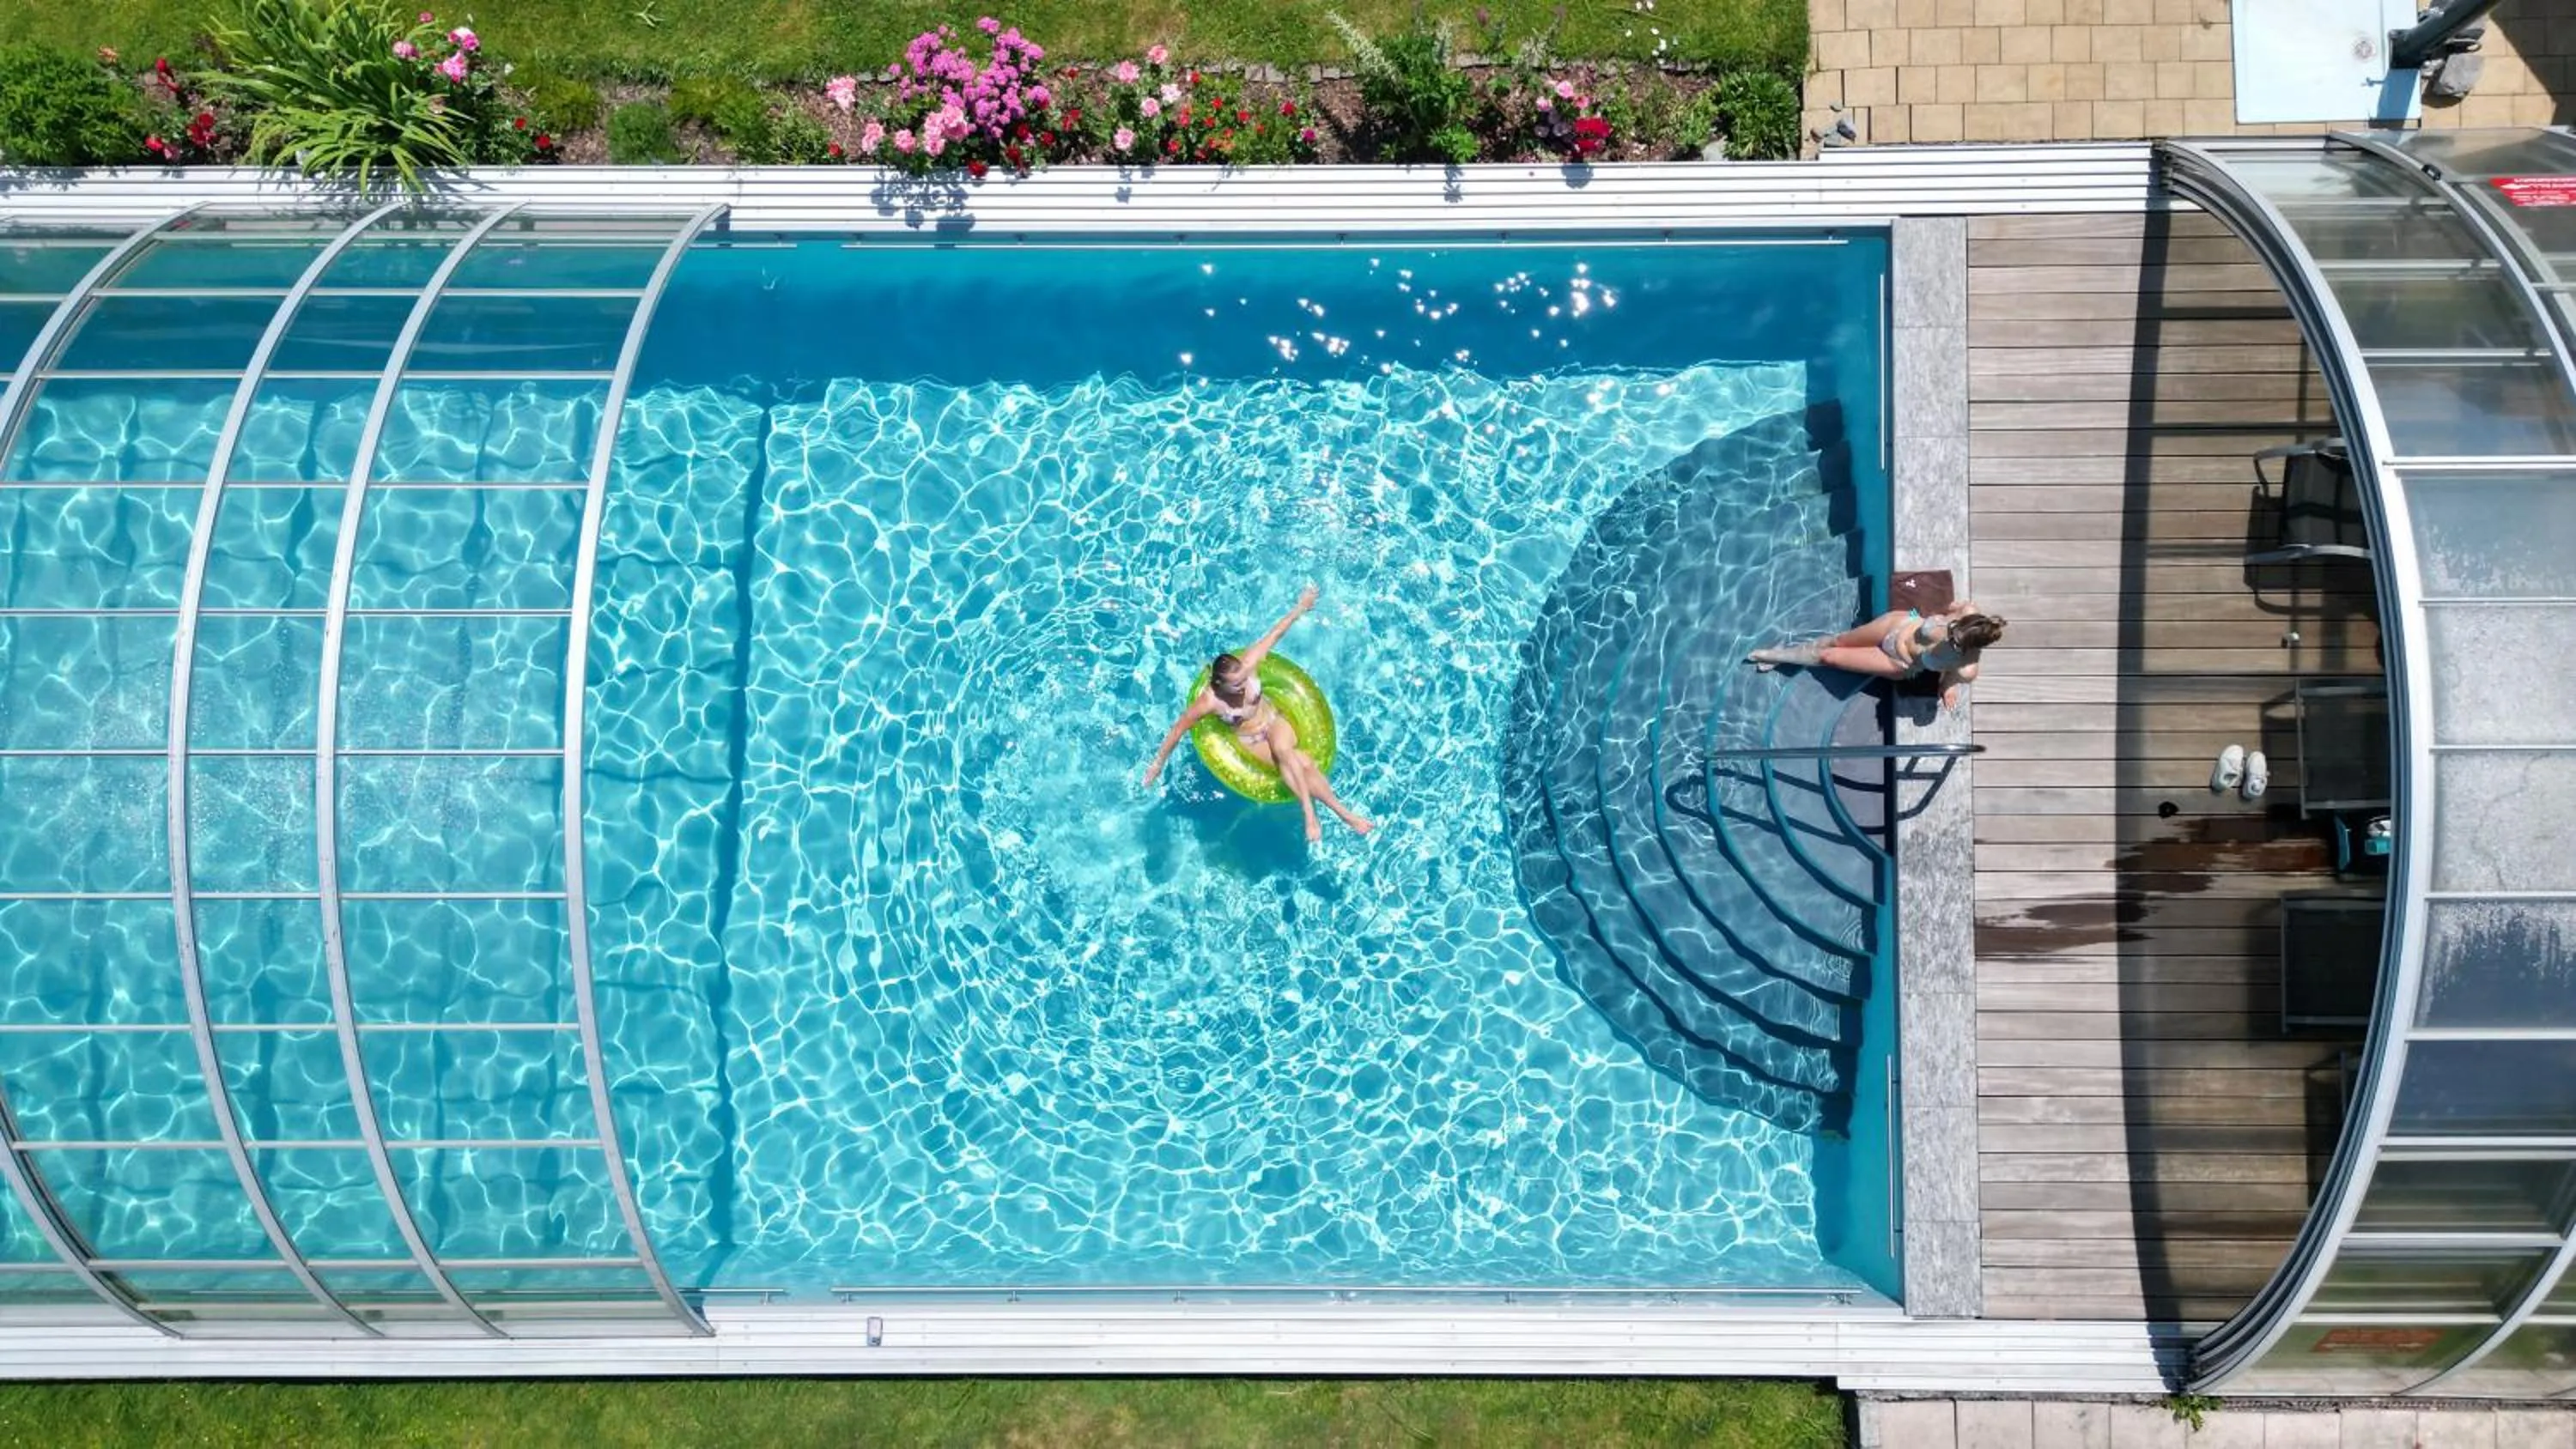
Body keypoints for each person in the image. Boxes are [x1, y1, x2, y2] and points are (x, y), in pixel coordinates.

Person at [1144, 585, 1375, 844]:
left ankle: (1310, 814)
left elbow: (1276, 632)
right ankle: (1344, 815)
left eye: (1244, 680)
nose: (1243, 687)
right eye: (1236, 685)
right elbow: (1177, 730)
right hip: (1251, 740)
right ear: (1219, 685)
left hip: (1275, 721)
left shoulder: (1249, 663)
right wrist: (1157, 764)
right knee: (1304, 763)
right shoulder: (1210, 701)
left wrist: (1302, 606)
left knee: (1285, 751)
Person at [1746, 599, 2006, 712]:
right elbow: (1950, 607)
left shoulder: (1966, 667)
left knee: (1830, 658)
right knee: (1839, 640)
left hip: (1899, 661)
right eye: (1951, 630)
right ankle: (1781, 655)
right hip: (1900, 625)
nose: (1946, 637)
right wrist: (1928, 619)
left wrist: (1948, 687)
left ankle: (1774, 655)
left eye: (1954, 642)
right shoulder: (1966, 611)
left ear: (1970, 647)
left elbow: (1953, 678)